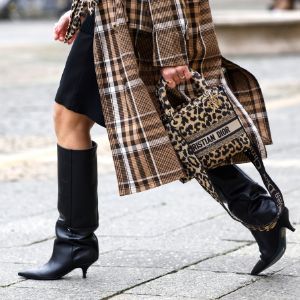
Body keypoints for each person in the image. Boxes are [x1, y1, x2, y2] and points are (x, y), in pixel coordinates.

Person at [17, 0, 295, 280]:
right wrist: (84, 11)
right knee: (153, 125)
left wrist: (171, 52)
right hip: (120, 18)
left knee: (79, 117)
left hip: (134, 21)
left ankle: (74, 243)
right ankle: (260, 212)